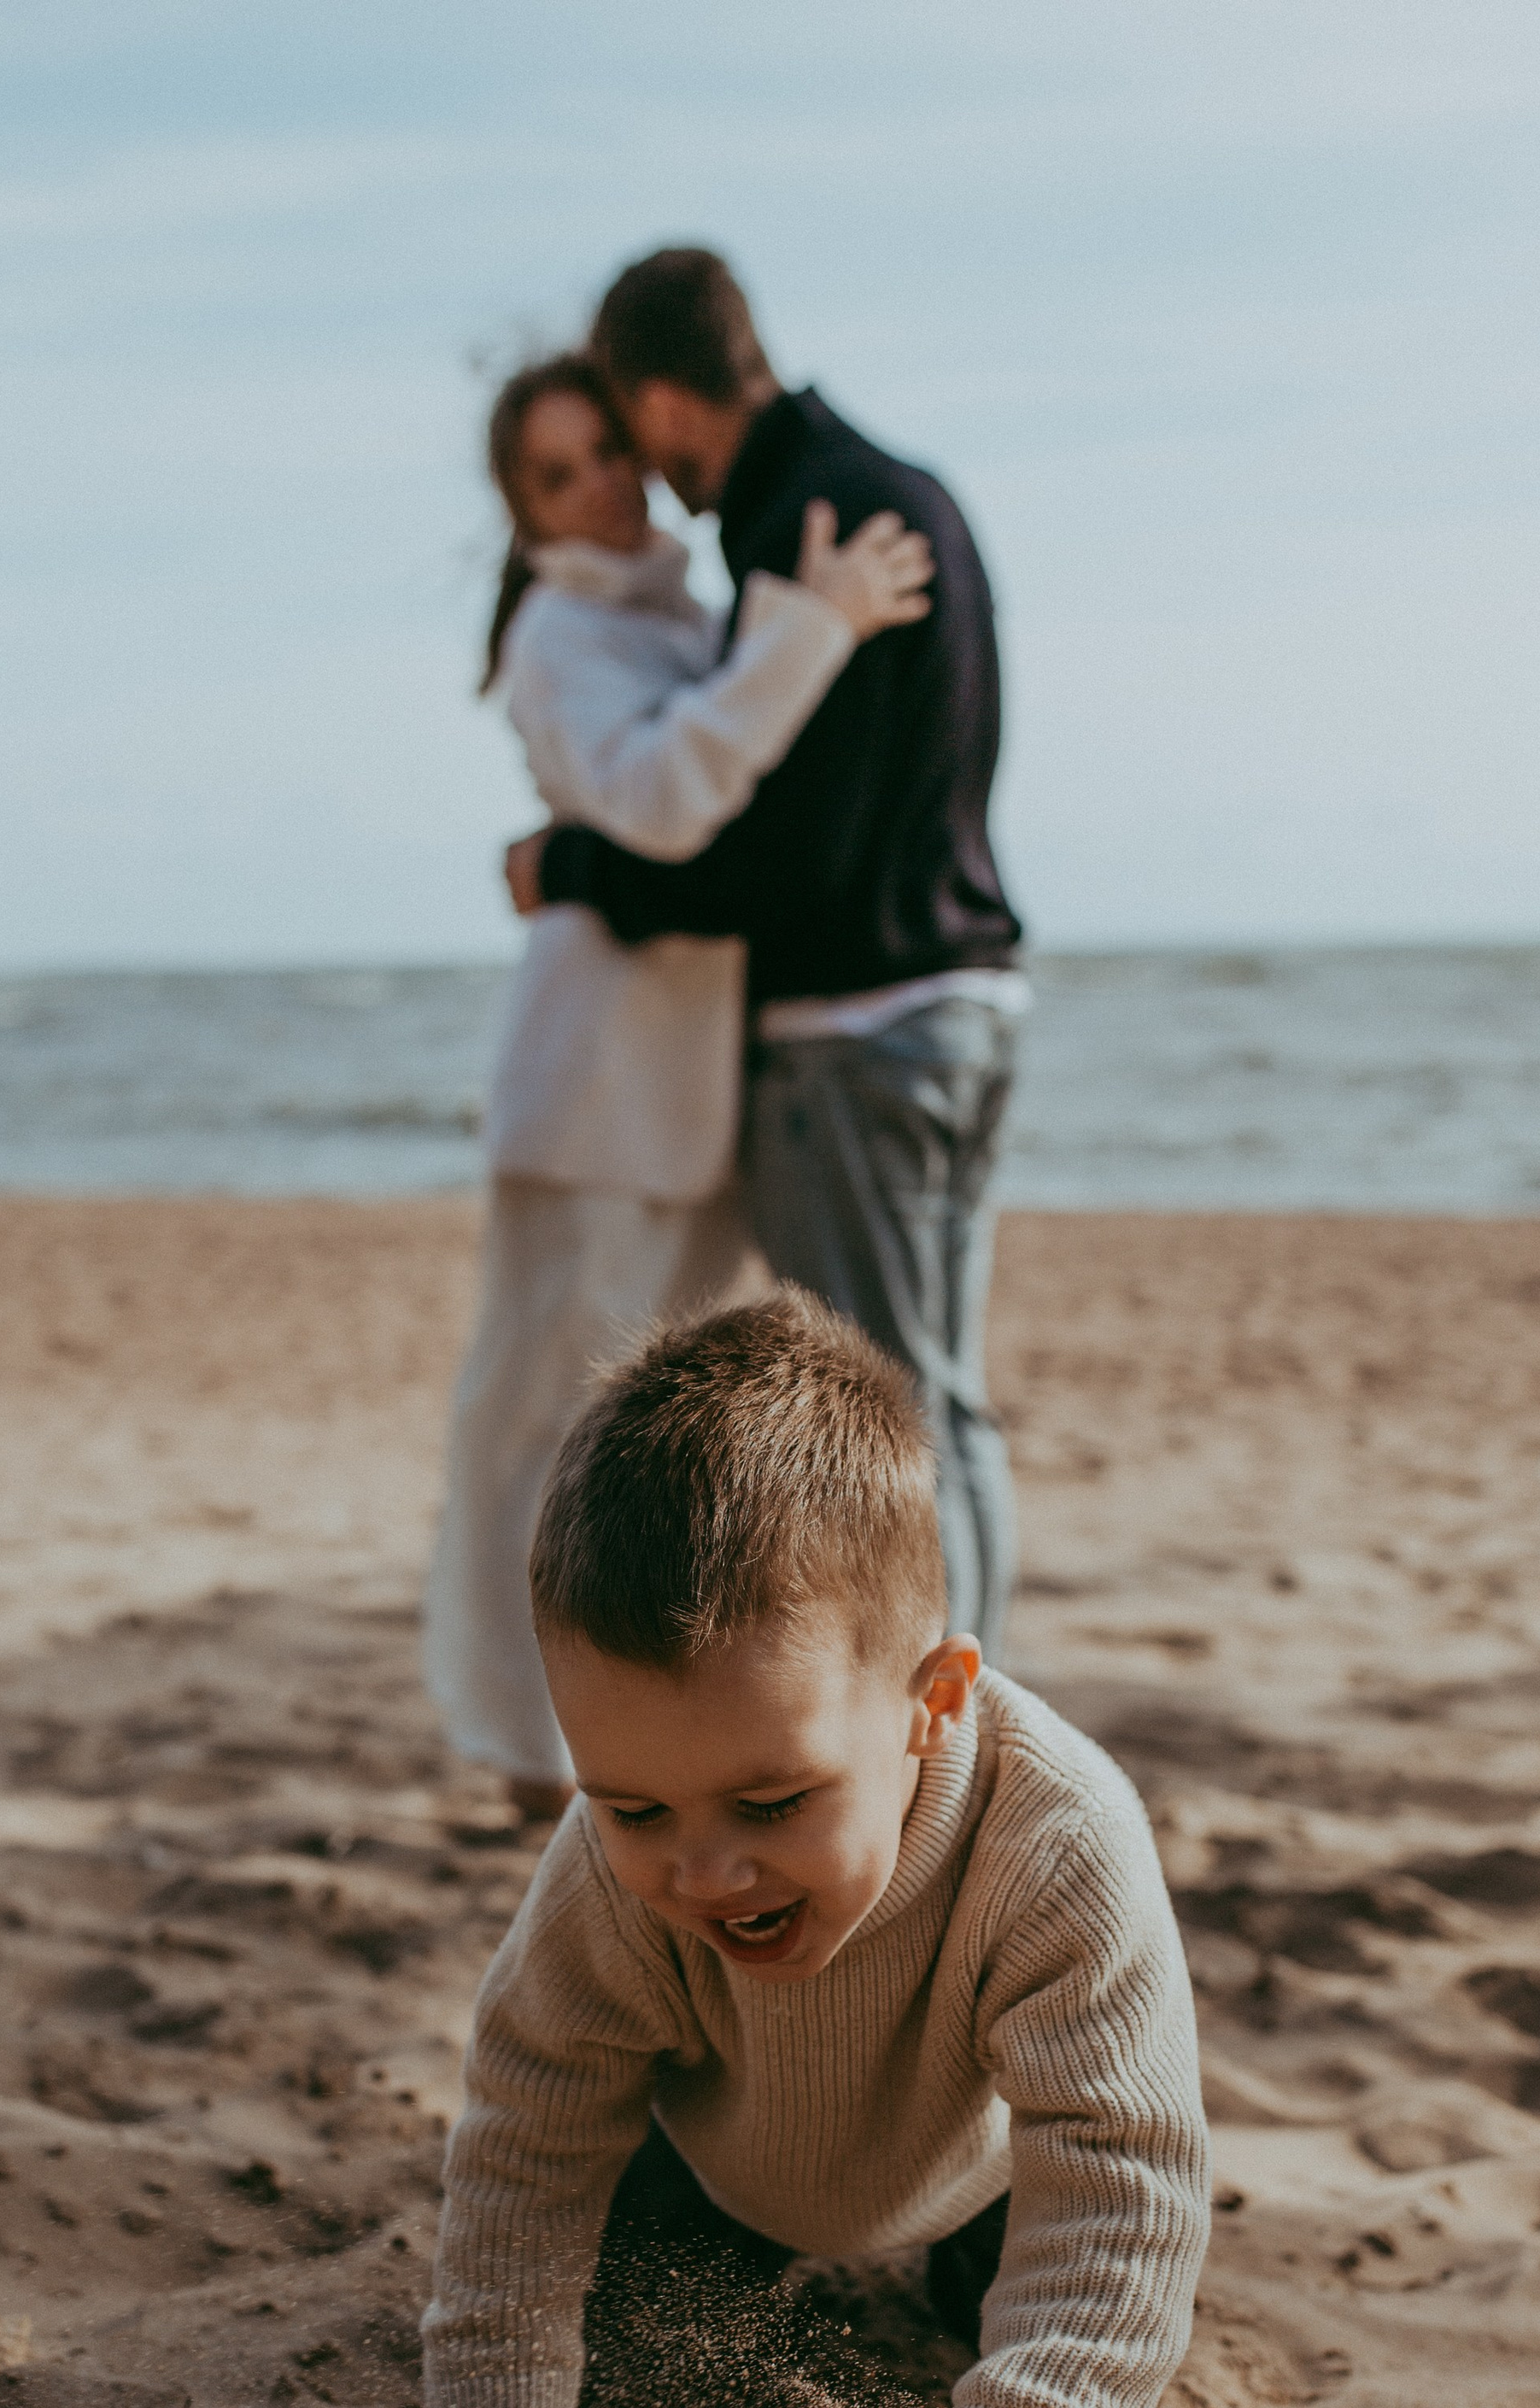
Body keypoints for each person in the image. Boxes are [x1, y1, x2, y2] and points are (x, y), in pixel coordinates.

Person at [421, 1292, 1209, 2408]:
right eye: (636, 1808)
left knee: (1054, 2310)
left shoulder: (1058, 1843)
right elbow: (533, 2114)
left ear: (933, 1703)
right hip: (724, 2157)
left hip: (977, 2179)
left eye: (773, 1803)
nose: (702, 1873)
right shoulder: (613, 1869)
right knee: (647, 2318)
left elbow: (1121, 2169)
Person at [426, 352, 936, 1819]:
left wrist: (789, 632)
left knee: (634, 1450)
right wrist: (817, 623)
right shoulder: (560, 637)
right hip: (593, 1100)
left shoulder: (687, 618)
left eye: (606, 451)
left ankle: (604, 1749)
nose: (601, 485)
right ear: (521, 511)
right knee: (537, 1436)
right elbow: (665, 801)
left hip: (689, 1101)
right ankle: (532, 1758)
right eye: (558, 471)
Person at [507, 249, 1026, 1660]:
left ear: (668, 397)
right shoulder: (910, 492)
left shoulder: (802, 523)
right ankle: (962, 1719)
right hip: (976, 995)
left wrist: (571, 866)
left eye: (629, 429)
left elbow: (765, 853)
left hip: (856, 1028)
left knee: (893, 1415)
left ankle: (946, 1739)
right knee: (951, 1401)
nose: (638, 468)